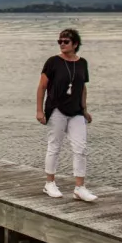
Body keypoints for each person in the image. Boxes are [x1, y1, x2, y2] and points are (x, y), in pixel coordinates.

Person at [36, 29, 97, 202]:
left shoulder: (82, 63)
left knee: (81, 147)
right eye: (60, 41)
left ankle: (80, 187)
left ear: (75, 44)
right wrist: (39, 110)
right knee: (54, 145)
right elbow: (41, 87)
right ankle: (49, 183)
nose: (62, 44)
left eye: (66, 41)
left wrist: (84, 109)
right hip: (56, 109)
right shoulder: (53, 62)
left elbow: (82, 87)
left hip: (76, 111)